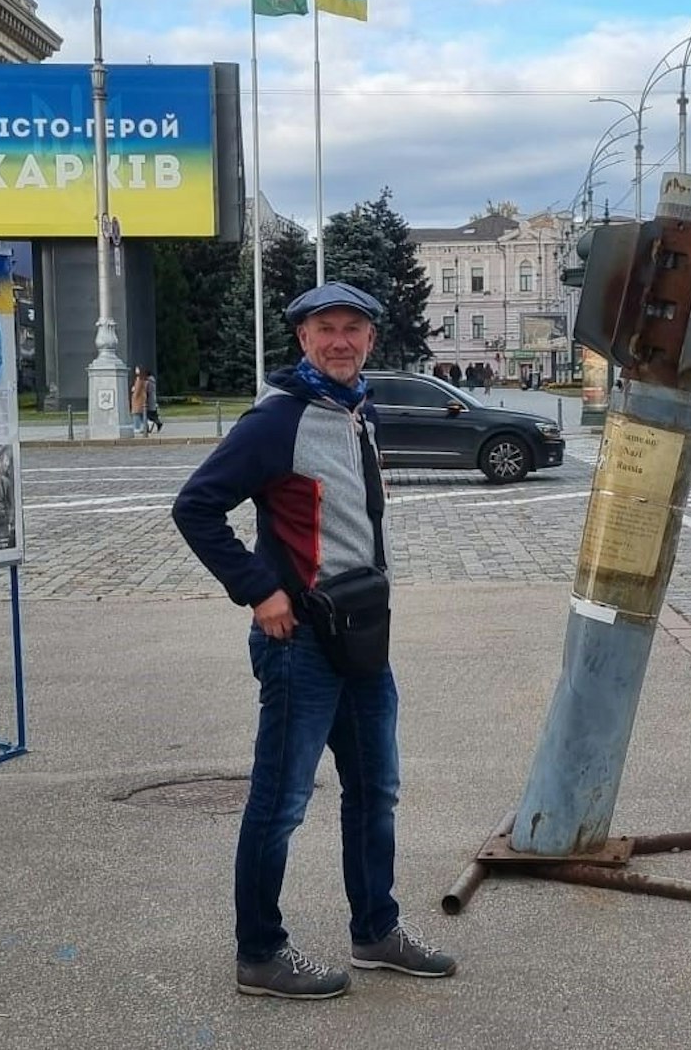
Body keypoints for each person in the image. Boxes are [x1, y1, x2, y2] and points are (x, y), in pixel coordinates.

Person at [173, 281, 456, 1001]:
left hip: (359, 634)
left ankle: (375, 931)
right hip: (297, 637)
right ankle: (259, 954)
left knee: (375, 791)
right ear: (300, 339)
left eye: (352, 329)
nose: (339, 340)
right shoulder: (277, 421)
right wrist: (259, 589)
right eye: (324, 328)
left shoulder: (359, 411)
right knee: (281, 801)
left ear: (370, 340)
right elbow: (196, 506)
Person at [129, 368, 152, 436]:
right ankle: (147, 424)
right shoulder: (144, 380)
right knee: (141, 414)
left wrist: (134, 393)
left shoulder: (139, 380)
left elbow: (137, 390)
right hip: (141, 399)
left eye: (137, 369)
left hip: (138, 400)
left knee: (136, 414)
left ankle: (137, 427)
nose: (136, 370)